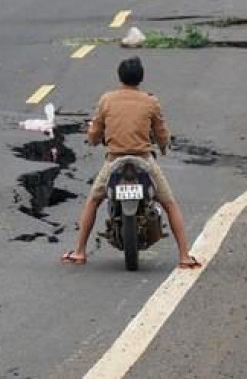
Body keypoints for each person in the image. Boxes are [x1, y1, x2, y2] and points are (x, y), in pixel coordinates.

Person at [61, 56, 201, 269]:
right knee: (170, 204)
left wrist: (92, 138)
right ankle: (184, 256)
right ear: (141, 78)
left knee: (93, 201)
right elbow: (161, 132)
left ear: (120, 76)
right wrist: (163, 146)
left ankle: (80, 252)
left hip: (114, 160)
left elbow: (95, 132)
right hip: (144, 159)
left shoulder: (107, 100)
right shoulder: (150, 101)